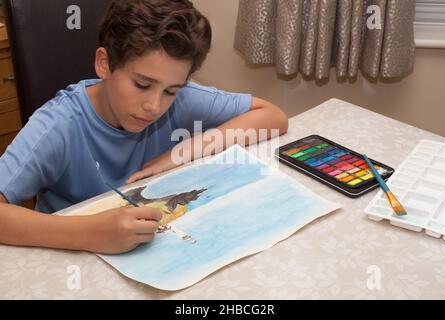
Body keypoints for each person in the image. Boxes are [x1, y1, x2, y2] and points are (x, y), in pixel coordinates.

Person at [0, 0, 288, 254]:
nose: (154, 105)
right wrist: (88, 233)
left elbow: (272, 116)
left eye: (171, 90)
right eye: (142, 84)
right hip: (67, 257)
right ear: (104, 63)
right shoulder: (58, 125)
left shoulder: (181, 100)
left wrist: (182, 152)